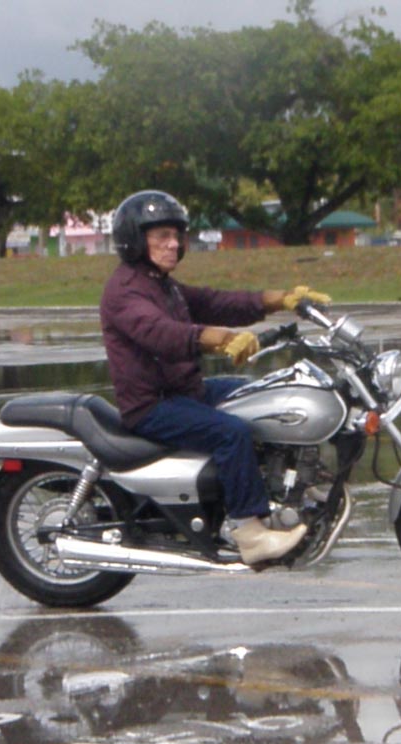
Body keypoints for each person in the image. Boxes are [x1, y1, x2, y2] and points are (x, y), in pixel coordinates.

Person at [99, 189, 330, 565]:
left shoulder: (162, 284)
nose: (174, 244)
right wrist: (220, 339)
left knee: (264, 397)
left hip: (185, 391)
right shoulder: (125, 291)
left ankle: (299, 487)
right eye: (162, 236)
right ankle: (249, 532)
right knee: (231, 432)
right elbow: (160, 333)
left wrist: (279, 299)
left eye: (177, 236)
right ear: (135, 240)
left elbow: (215, 302)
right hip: (152, 405)